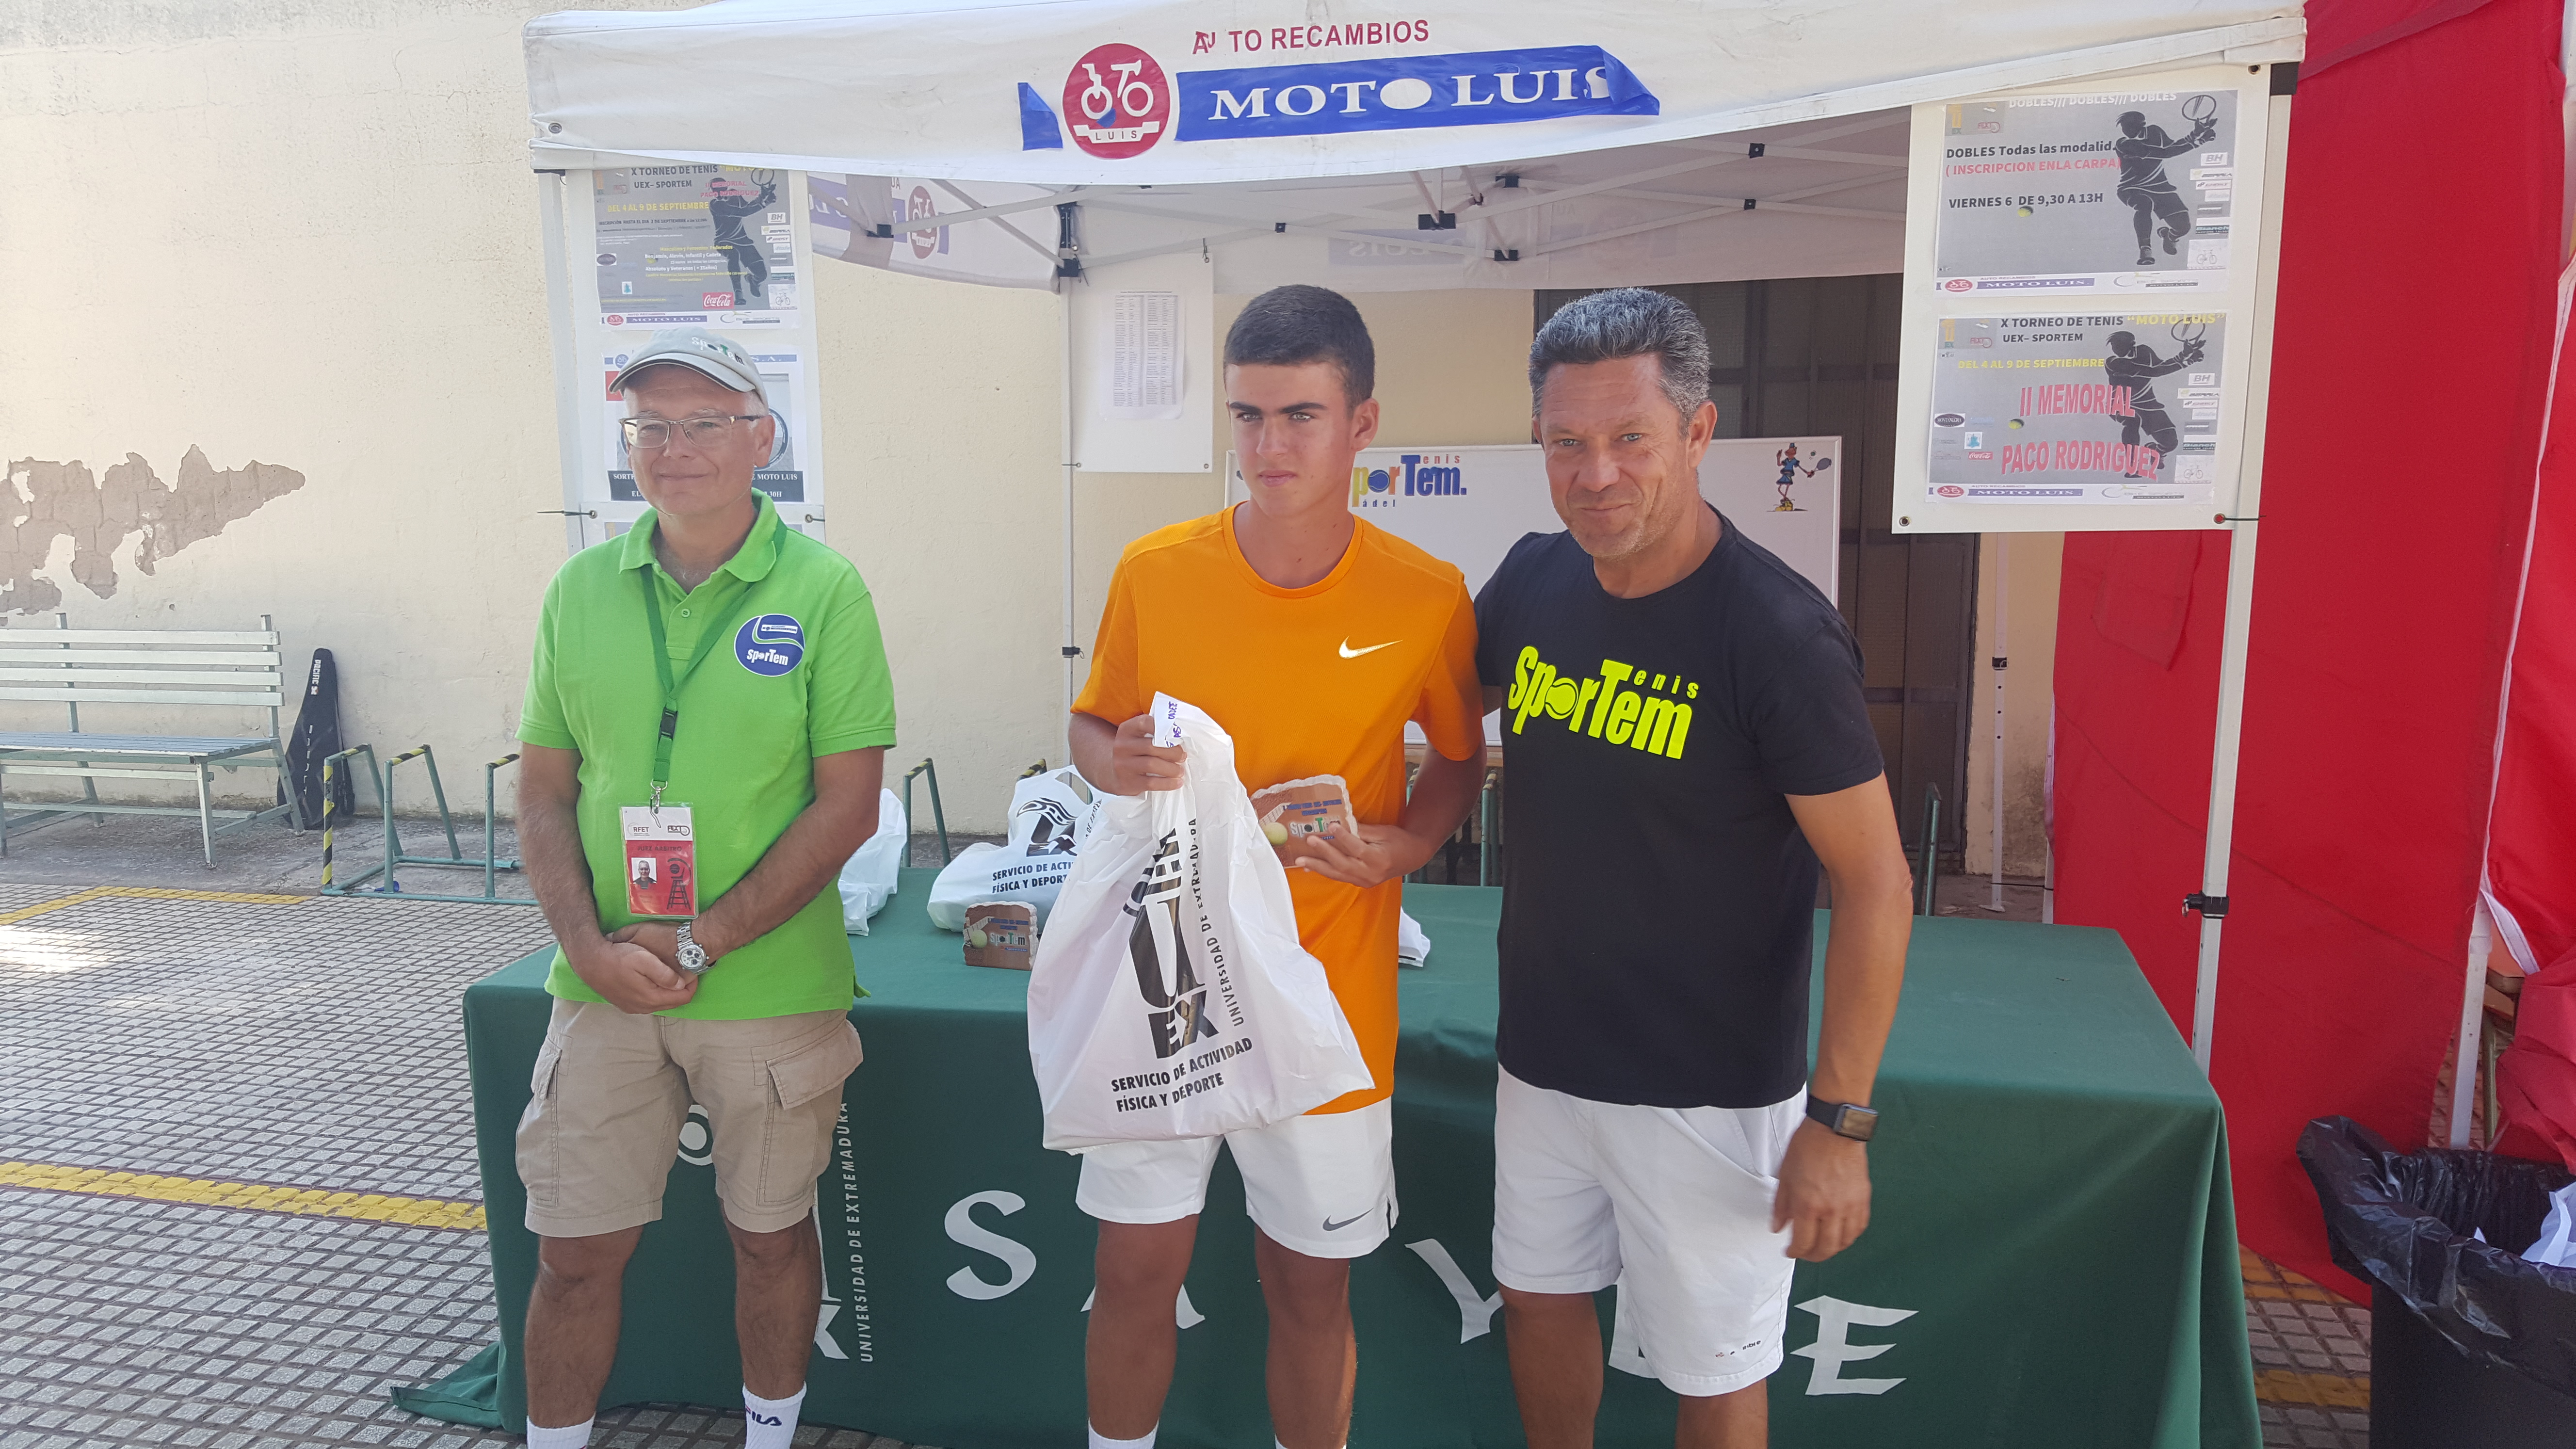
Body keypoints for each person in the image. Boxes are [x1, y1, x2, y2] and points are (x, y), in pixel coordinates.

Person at [1473, 289, 1914, 1449]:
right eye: (1565, 443)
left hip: (1708, 1088)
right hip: (1543, 1059)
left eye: (1630, 437)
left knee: (1713, 1372)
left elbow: (1876, 882)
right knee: (1537, 1299)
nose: (1596, 474)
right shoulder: (1532, 581)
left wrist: (1839, 1122)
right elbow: (1420, 710)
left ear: (1698, 432)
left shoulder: (1774, 633)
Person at [1067, 285, 1488, 1449]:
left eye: (1300, 414)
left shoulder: (1425, 594)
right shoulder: (1155, 568)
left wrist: (1408, 845)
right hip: (1166, 981)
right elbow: (1092, 725)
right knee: (1132, 1269)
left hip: (1328, 995)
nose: (1268, 445)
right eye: (1247, 415)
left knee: (1309, 1286)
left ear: (1362, 424)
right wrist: (1116, 760)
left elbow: (1460, 758)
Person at [514, 327, 896, 1449]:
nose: (673, 448)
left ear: (761, 440)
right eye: (650, 426)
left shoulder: (824, 590)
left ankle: (768, 1435)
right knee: (572, 1253)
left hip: (768, 983)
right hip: (601, 983)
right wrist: (586, 947)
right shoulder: (578, 590)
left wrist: (700, 939)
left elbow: (848, 806)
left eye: (704, 423)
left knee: (769, 1238)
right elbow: (541, 793)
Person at [2114, 108, 2218, 266]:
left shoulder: (2155, 132)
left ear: (2142, 125)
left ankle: (2170, 236)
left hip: (2161, 188)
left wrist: (2195, 134)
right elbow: (2165, 153)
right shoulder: (2124, 143)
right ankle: (2146, 250)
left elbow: (2173, 146)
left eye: (2129, 127)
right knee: (2144, 204)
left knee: (2183, 227)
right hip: (2131, 188)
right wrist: (2200, 141)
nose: (2126, 131)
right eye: (2124, 128)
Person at [2104, 329, 2206, 476]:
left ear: (2132, 344)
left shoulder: (2144, 351)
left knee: (2171, 443)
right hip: (2121, 404)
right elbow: (2154, 372)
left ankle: (2156, 452)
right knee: (2132, 421)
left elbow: (2160, 366)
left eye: (2119, 345)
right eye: (2114, 346)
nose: (2116, 349)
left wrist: (2184, 354)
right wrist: (2189, 361)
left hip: (2147, 403)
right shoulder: (2113, 362)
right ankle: (2133, 467)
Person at [707, 174, 779, 307]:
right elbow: (743, 213)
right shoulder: (715, 205)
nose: (717, 192)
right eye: (715, 189)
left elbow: (748, 207)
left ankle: (753, 281)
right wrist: (765, 203)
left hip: (743, 241)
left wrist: (763, 196)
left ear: (726, 188)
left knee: (762, 275)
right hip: (724, 241)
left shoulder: (734, 195)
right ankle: (739, 294)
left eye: (720, 188)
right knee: (733, 254)